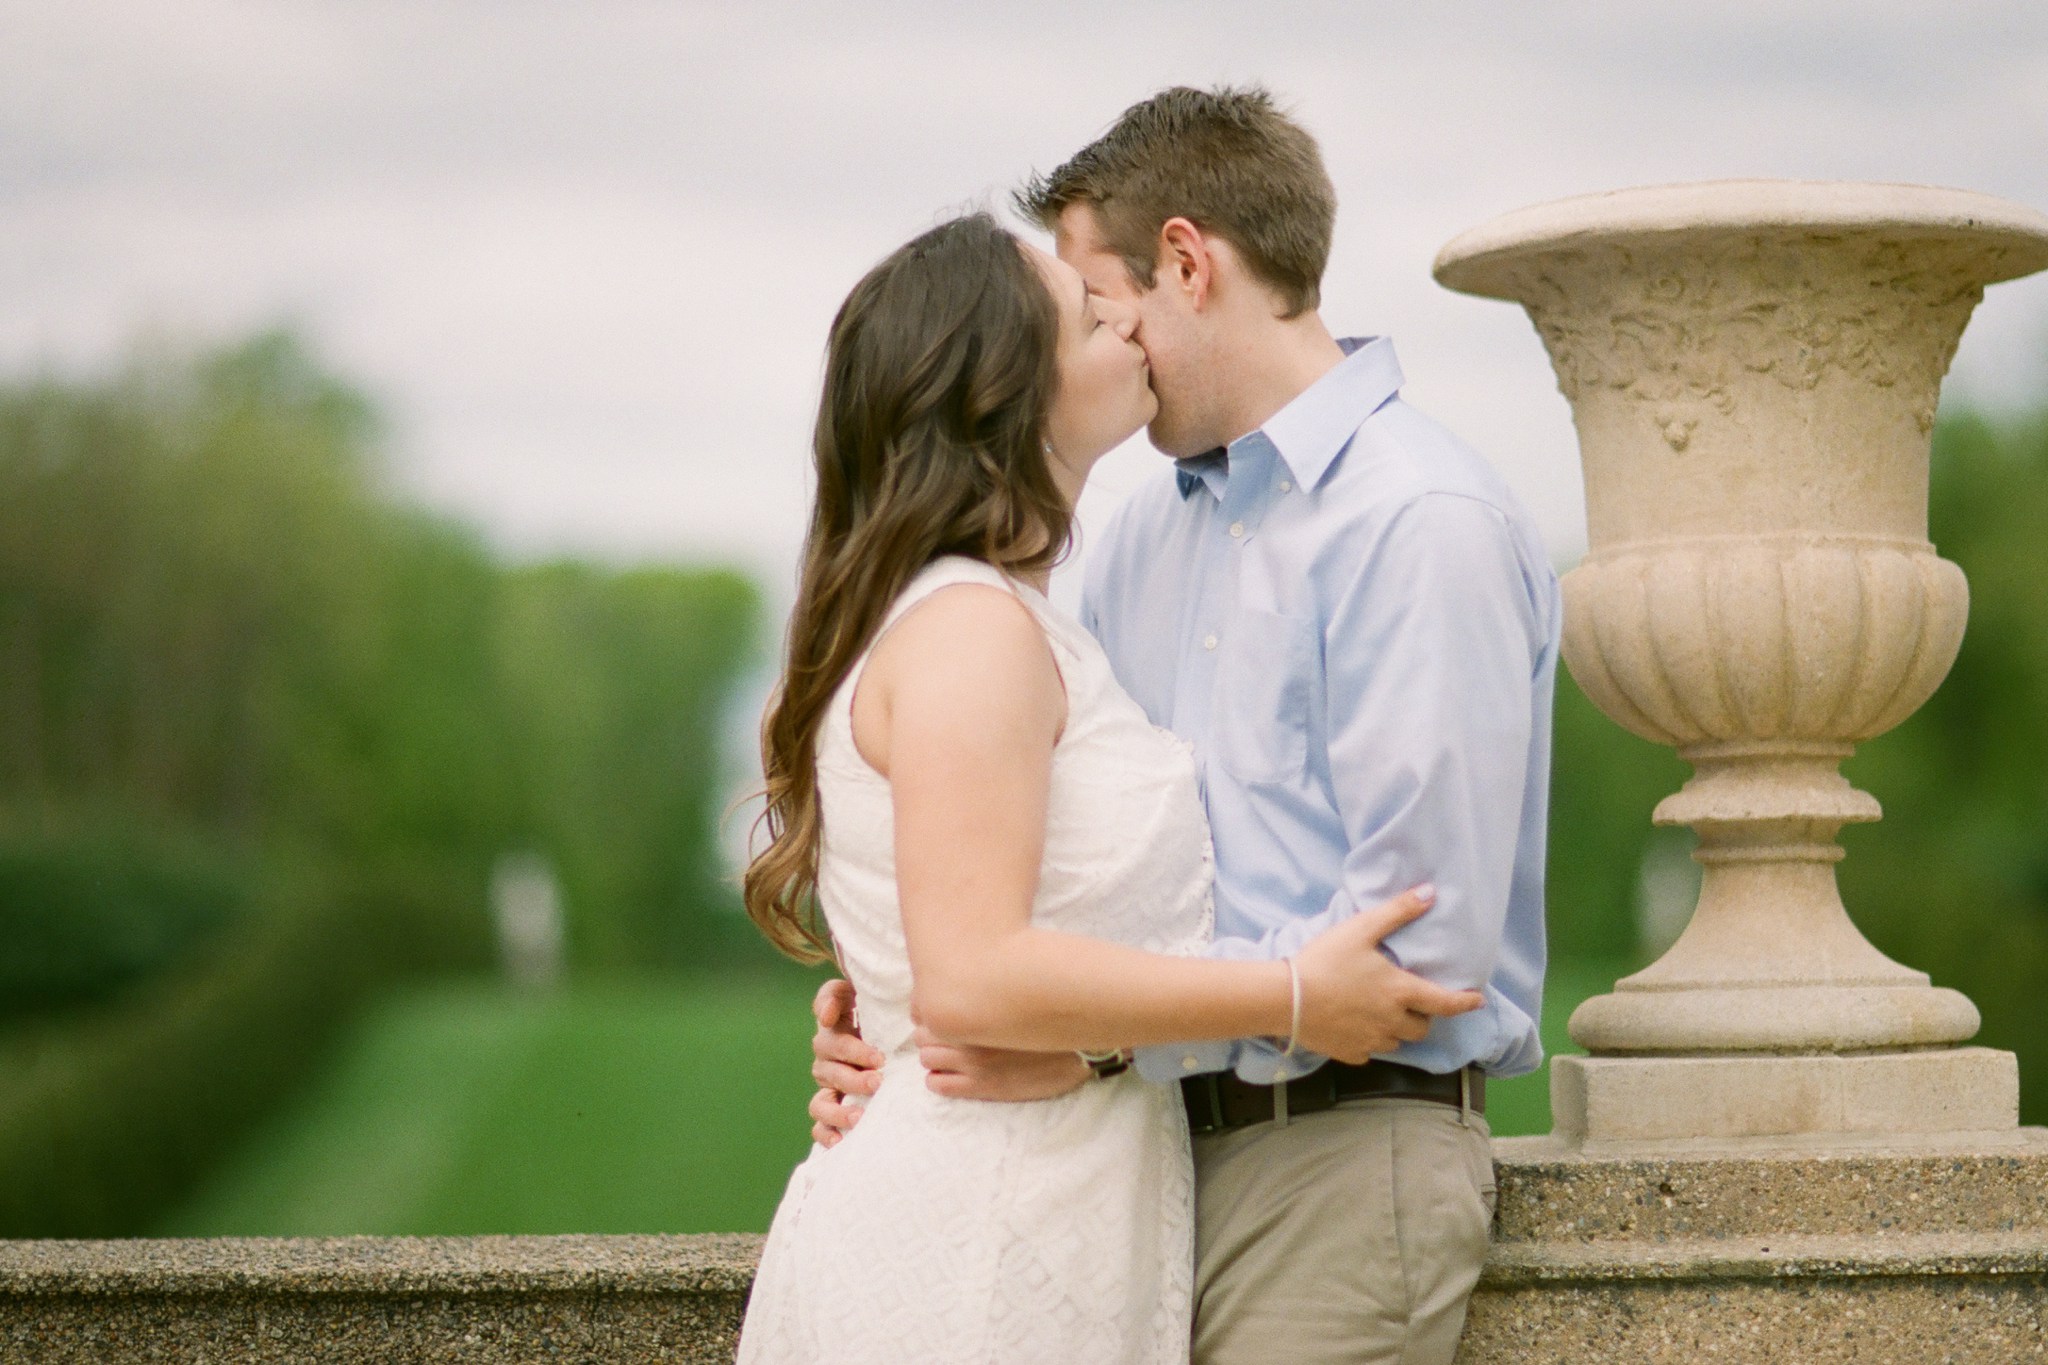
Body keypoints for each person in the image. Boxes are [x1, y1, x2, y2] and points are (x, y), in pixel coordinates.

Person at [808, 86, 1562, 1364]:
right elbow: (1050, 854)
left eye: (1104, 304)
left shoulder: (1418, 522)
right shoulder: (1138, 536)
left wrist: (1080, 1040)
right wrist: (899, 1019)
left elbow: (1408, 967)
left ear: (1184, 263)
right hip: (1132, 1170)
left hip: (1333, 1159)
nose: (1109, 339)